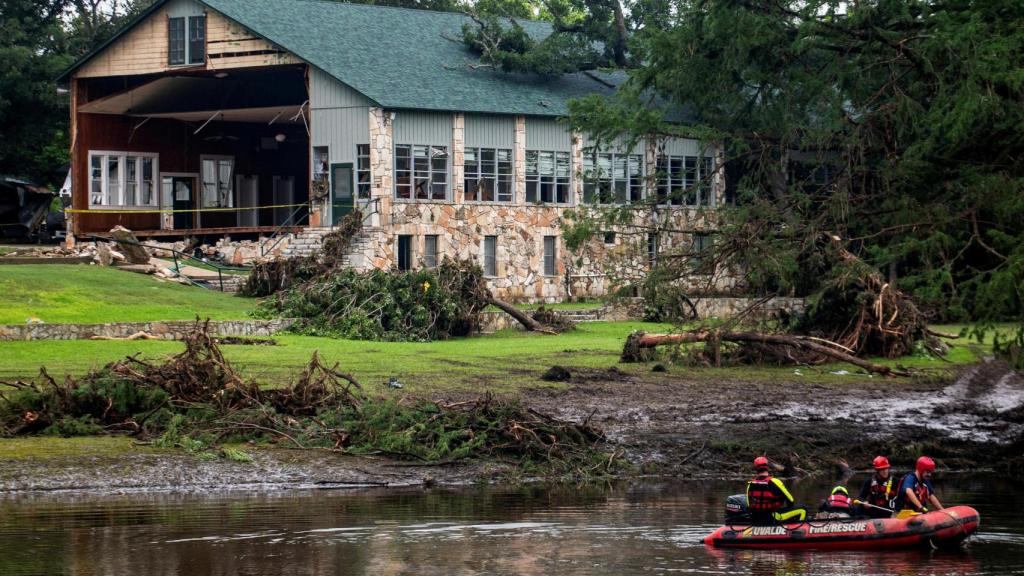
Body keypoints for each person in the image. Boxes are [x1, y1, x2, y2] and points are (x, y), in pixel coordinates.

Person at [746, 456, 807, 524]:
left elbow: (749, 505)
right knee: (803, 509)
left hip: (756, 518)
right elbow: (791, 501)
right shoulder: (775, 482)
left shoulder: (750, 484)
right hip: (772, 517)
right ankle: (797, 529)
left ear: (756, 469)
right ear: (767, 467)